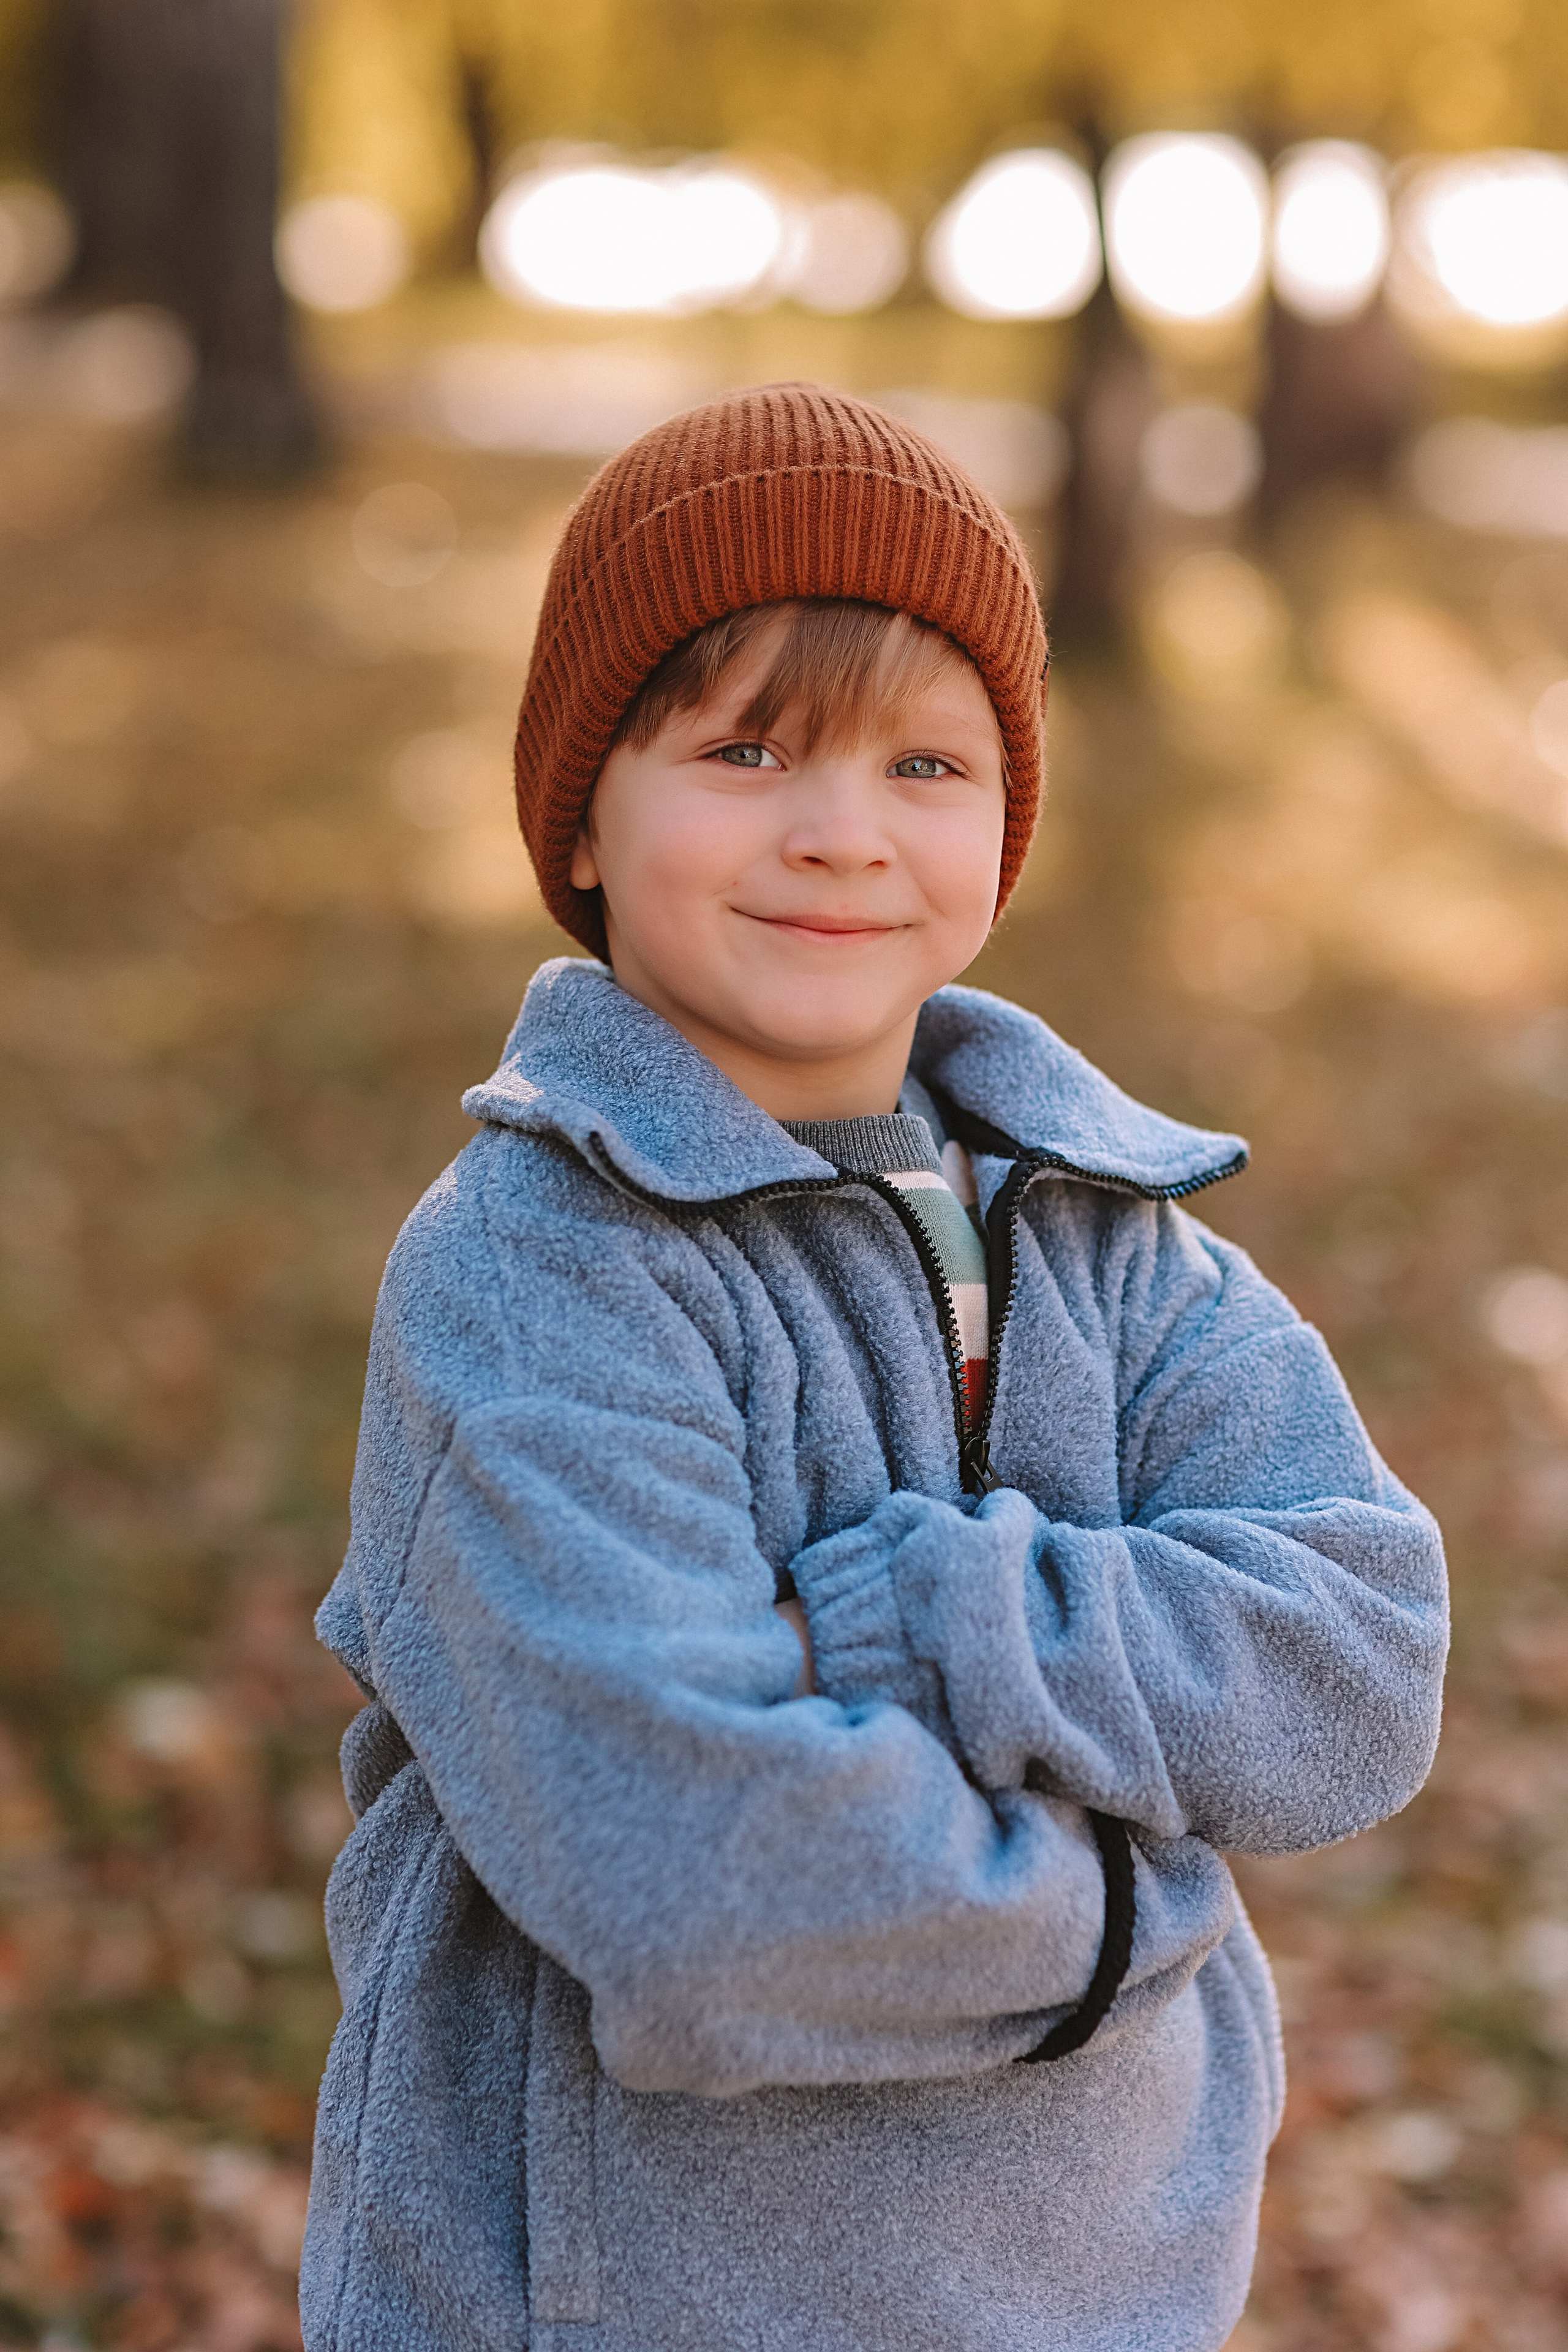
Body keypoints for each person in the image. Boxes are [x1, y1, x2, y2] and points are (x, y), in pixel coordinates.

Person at [301, 383, 1447, 2352]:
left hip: (1103, 2302)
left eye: (926, 763)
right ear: (584, 807)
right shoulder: (531, 1275)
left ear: (1008, 824)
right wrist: (1130, 1921)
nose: (840, 833)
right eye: (746, 747)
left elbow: (1361, 1651)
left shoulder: (1111, 1224)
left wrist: (937, 1614)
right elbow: (698, 1880)